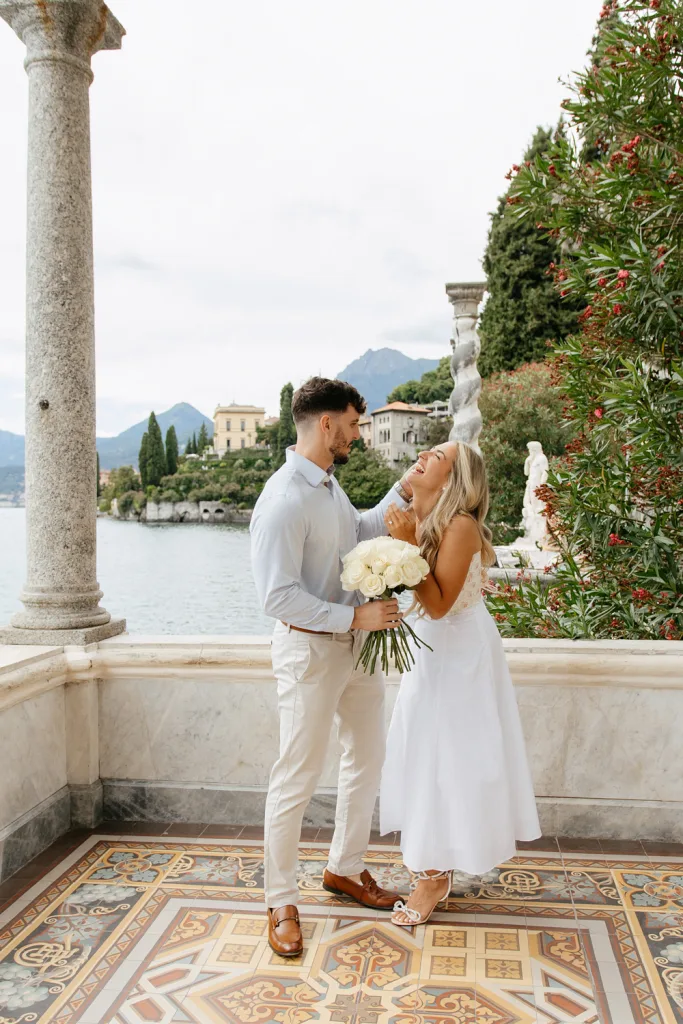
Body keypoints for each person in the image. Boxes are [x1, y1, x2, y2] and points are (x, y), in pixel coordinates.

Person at [250, 376, 414, 957]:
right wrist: (355, 621)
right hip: (311, 653)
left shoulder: (327, 487)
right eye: (351, 424)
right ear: (325, 425)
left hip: (354, 649)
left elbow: (361, 533)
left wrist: (407, 488)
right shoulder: (284, 500)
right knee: (296, 774)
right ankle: (280, 901)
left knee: (366, 756)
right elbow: (276, 597)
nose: (356, 434)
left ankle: (344, 868)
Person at [380, 441, 541, 926]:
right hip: (429, 649)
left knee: (448, 755)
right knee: (422, 752)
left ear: (452, 480)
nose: (424, 457)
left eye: (438, 456)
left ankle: (433, 875)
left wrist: (407, 548)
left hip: (458, 651)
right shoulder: (414, 516)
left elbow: (440, 603)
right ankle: (433, 861)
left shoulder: (460, 525)